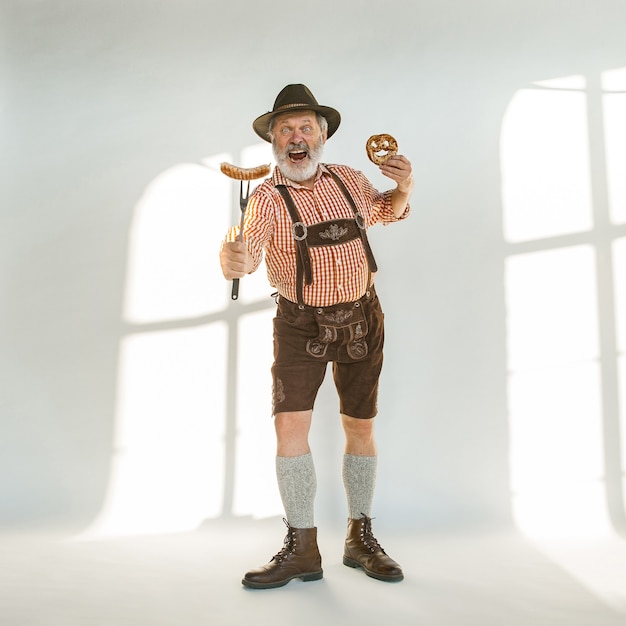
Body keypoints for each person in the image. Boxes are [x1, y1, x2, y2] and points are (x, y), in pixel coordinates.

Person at [219, 84, 413, 589]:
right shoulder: (264, 198)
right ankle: (302, 546)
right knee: (289, 431)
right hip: (299, 324)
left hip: (361, 319)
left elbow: (387, 210)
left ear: (322, 135)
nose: (296, 136)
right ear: (274, 142)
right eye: (285, 129)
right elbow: (250, 253)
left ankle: (360, 537)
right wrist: (232, 261)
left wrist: (405, 186)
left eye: (305, 127)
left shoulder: (350, 181)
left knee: (360, 428)